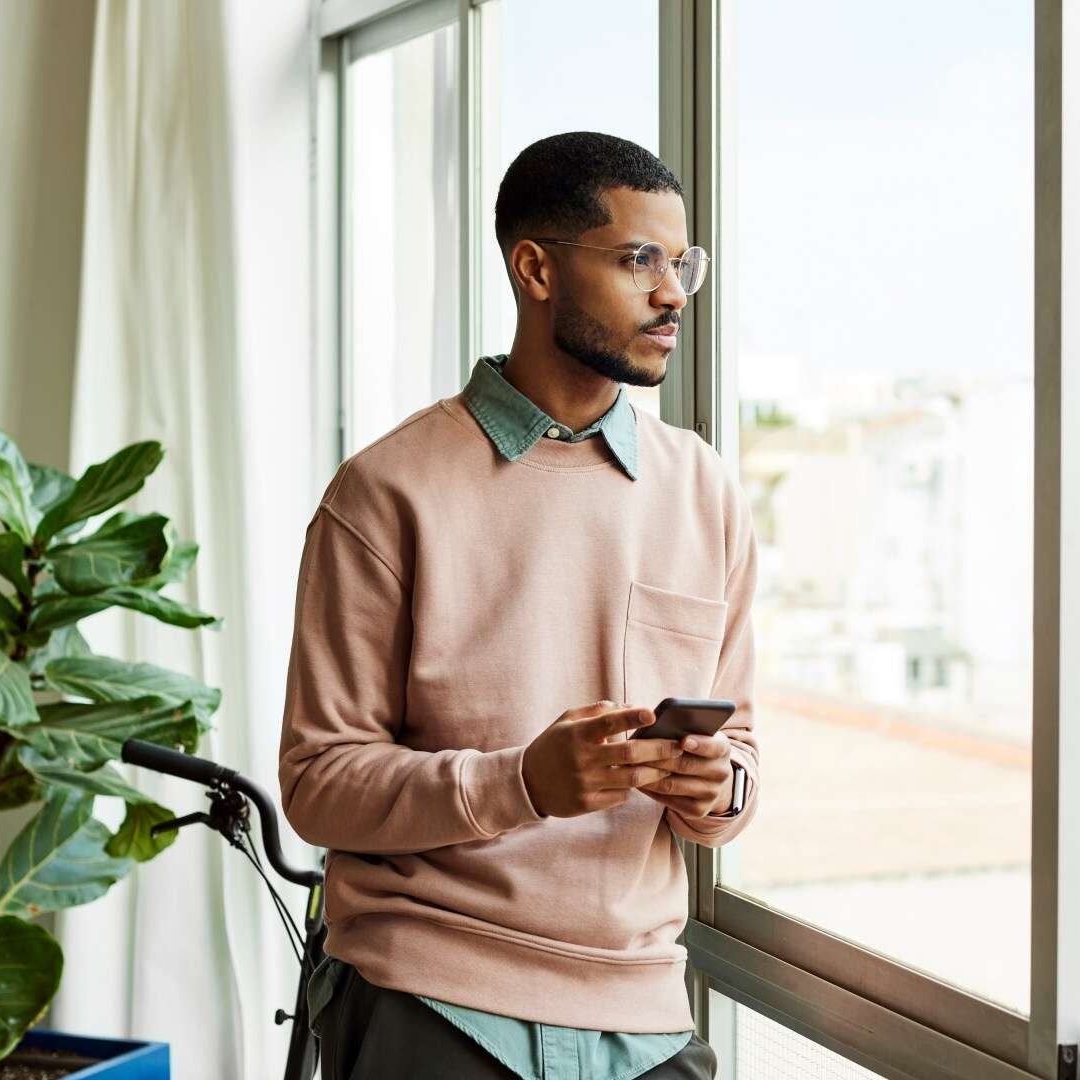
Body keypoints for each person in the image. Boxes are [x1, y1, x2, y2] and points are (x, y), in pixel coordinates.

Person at [278, 131, 757, 1080]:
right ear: (534, 268)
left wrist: (721, 789)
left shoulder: (704, 490)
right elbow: (317, 783)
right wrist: (523, 784)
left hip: (647, 1013)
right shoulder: (385, 491)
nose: (672, 294)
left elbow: (742, 755)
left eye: (682, 263)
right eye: (638, 260)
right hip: (432, 1005)